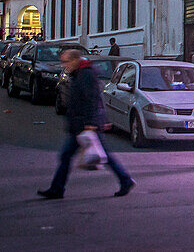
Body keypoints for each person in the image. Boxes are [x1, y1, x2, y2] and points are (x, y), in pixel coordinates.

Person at [38, 49, 135, 199]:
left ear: (75, 60)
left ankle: (125, 180)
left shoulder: (86, 75)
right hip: (80, 124)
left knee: (97, 156)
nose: (64, 66)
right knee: (71, 156)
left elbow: (92, 100)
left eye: (66, 62)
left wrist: (90, 123)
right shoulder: (79, 74)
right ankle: (57, 188)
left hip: (86, 124)